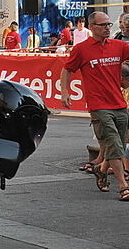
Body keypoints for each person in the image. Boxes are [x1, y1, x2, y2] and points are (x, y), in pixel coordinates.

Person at [62, 11, 129, 201]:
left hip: (119, 103)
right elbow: (67, 69)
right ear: (92, 27)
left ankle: (101, 169)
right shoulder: (82, 49)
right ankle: (123, 186)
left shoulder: (118, 46)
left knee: (118, 145)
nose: (108, 27)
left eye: (109, 24)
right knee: (114, 144)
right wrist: (65, 92)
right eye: (103, 25)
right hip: (98, 105)